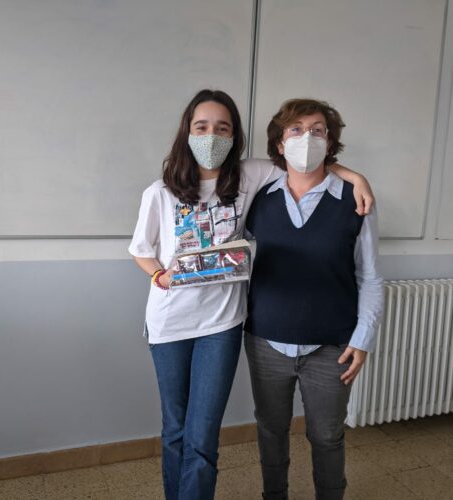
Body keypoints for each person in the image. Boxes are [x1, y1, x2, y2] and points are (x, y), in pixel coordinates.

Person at [128, 89, 374, 500]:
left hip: (222, 324)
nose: (211, 136)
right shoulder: (160, 191)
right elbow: (140, 250)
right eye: (201, 127)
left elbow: (302, 161)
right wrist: (159, 276)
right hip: (169, 324)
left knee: (203, 435)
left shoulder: (249, 177)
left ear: (234, 136)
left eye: (222, 128)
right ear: (187, 132)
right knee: (175, 430)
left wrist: (355, 177)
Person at [244, 98, 384, 500]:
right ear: (280, 142)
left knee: (326, 436)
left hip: (333, 346)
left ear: (330, 141)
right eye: (296, 130)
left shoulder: (356, 200)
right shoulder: (259, 198)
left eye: (317, 130)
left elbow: (370, 276)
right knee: (271, 431)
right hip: (265, 341)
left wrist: (363, 339)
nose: (307, 138)